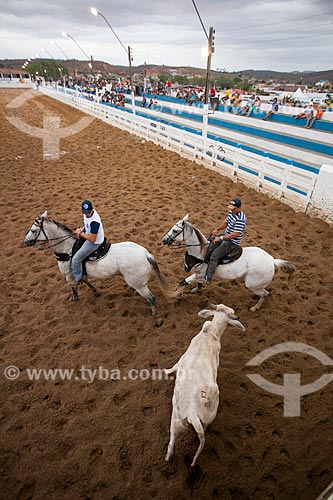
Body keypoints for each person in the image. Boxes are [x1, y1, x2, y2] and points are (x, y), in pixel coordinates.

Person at [205, 198, 247, 284]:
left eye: (233, 209)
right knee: (210, 240)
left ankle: (208, 278)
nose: (232, 211)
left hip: (232, 242)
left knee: (214, 256)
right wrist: (217, 229)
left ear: (239, 208)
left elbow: (235, 234)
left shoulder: (241, 219)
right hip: (226, 235)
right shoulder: (231, 212)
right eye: (231, 209)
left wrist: (221, 238)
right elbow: (225, 223)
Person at [69, 200, 105, 285]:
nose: (86, 214)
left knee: (75, 259)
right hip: (88, 234)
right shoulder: (86, 214)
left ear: (92, 209)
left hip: (95, 242)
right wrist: (82, 229)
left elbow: (92, 239)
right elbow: (86, 224)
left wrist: (80, 233)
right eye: (85, 212)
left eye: (88, 212)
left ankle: (78, 278)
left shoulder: (94, 222)